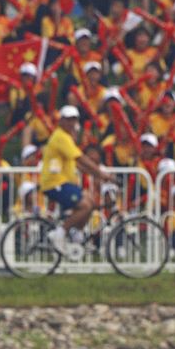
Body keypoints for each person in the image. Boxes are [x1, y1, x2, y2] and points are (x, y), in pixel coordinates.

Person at [41, 105, 113, 255]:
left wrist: (98, 175)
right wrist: (100, 173)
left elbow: (79, 164)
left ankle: (77, 235)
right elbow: (80, 158)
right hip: (55, 183)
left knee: (91, 201)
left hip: (62, 183)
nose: (71, 123)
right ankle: (59, 234)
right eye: (67, 120)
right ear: (61, 121)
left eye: (73, 120)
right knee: (85, 206)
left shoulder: (66, 138)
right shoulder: (60, 137)